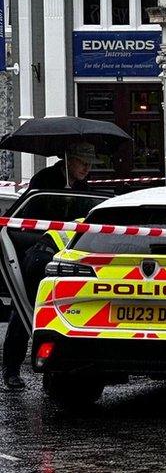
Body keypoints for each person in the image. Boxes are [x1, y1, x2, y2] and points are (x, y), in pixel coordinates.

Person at [1, 142, 95, 390]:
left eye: (89, 164)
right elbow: (21, 218)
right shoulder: (44, 181)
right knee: (27, 307)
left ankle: (56, 371)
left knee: (67, 311)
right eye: (82, 163)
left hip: (68, 256)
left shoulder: (82, 187)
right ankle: (11, 369)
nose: (86, 169)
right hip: (37, 253)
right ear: (68, 160)